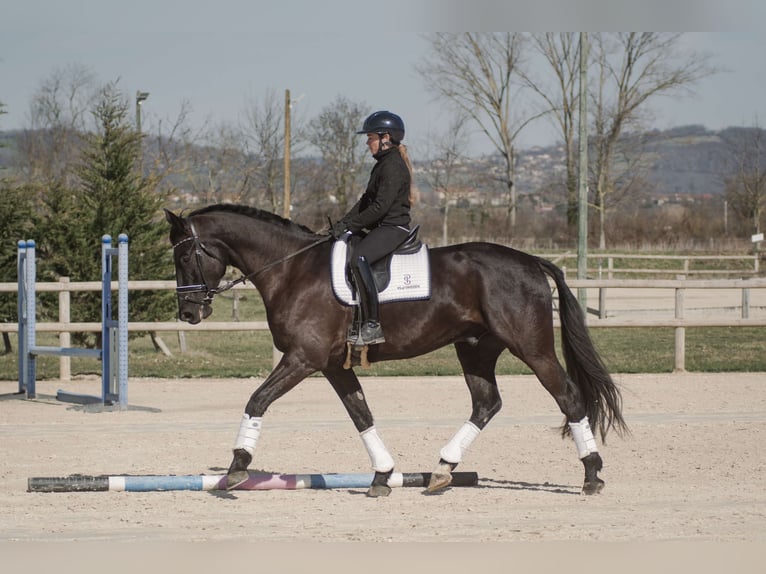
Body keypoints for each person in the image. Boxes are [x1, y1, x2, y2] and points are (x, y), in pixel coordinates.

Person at [331, 110, 414, 346]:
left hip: (394, 228)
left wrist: (351, 226)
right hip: (383, 226)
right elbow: (366, 201)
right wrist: (343, 224)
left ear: (385, 138)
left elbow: (380, 207)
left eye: (370, 138)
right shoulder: (382, 165)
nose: (368, 143)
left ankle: (372, 324)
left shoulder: (393, 166)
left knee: (359, 258)